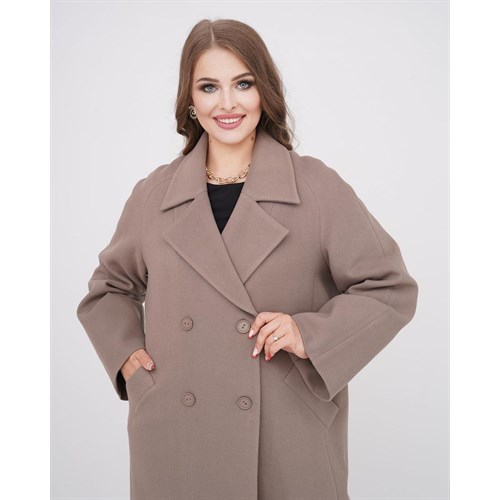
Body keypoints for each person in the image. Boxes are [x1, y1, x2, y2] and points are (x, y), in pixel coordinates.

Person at [77, 18, 418, 500]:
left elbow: (390, 288)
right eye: (209, 87)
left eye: (243, 83)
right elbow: (108, 290)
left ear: (264, 91)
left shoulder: (316, 188)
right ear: (190, 100)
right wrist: (128, 357)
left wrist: (309, 334)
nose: (227, 103)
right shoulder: (154, 194)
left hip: (284, 430)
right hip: (175, 431)